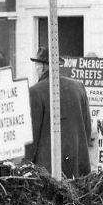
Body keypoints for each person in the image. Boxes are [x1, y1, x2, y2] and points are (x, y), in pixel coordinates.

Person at [24, 47, 92, 178]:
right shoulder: (79, 87)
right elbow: (87, 128)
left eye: (37, 66)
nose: (36, 69)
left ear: (42, 67)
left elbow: (32, 135)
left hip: (48, 167)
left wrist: (25, 163)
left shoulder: (35, 91)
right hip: (77, 163)